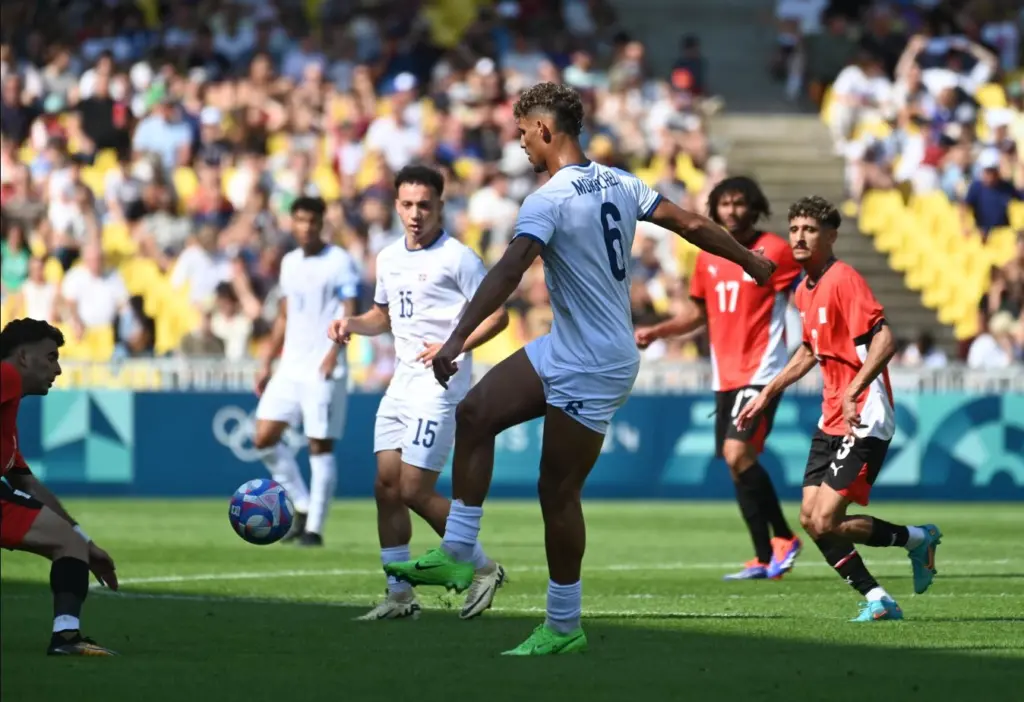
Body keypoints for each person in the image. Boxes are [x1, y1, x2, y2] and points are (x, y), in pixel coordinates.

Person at [384, 82, 777, 655]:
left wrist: (456, 338)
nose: (520, 143)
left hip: (594, 363)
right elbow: (692, 224)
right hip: (567, 345)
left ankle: (564, 625)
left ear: (545, 129)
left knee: (557, 492)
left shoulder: (548, 199)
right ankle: (460, 550)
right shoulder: (621, 181)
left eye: (523, 132)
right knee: (475, 413)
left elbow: (509, 270)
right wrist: (748, 260)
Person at [735, 196, 942, 622]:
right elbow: (810, 350)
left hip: (865, 414)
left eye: (810, 230)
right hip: (831, 417)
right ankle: (879, 597)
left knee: (827, 519)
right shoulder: (803, 290)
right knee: (811, 519)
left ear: (830, 237)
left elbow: (885, 340)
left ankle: (916, 540)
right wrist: (766, 392)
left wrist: (854, 391)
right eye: (795, 229)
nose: (799, 237)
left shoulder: (844, 279)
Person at [327, 165, 510, 621]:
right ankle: (399, 595)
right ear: (396, 206)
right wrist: (351, 323)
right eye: (407, 205)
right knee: (386, 487)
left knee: (413, 488)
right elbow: (383, 316)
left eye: (424, 205)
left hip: (440, 386)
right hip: (401, 384)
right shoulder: (388, 257)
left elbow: (498, 316)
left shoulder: (458, 258)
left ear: (440, 207)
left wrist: (454, 345)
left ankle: (483, 567)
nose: (415, 214)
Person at [635, 176, 803, 581]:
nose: (732, 210)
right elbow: (698, 314)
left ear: (755, 207)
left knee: (736, 453)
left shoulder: (775, 250)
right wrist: (658, 331)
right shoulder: (707, 256)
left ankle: (784, 537)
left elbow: (803, 295)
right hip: (724, 375)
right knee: (737, 465)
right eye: (724, 204)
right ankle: (763, 558)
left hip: (762, 370)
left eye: (740, 203)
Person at [0, 318, 119, 655]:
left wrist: (85, 541)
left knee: (69, 542)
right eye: (51, 357)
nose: (58, 369)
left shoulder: (8, 419)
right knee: (68, 543)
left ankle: (67, 638)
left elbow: (26, 482)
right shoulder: (6, 375)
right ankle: (66, 638)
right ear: (24, 357)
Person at [254, 196, 360, 547]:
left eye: (312, 221)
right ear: (292, 222)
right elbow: (284, 316)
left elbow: (350, 310)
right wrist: (267, 360)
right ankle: (301, 503)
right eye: (299, 220)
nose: (306, 227)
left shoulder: (339, 261)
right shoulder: (289, 262)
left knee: (320, 446)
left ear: (321, 223)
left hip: (324, 367)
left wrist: (333, 354)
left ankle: (314, 529)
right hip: (290, 366)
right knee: (263, 437)